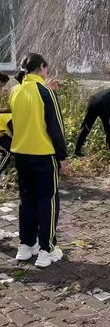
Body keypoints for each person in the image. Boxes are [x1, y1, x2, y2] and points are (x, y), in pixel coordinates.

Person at [9, 53, 68, 268]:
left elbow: (16, 122)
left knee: (27, 200)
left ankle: (26, 245)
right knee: (48, 201)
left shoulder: (15, 91)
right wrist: (62, 157)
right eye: (46, 69)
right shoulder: (46, 92)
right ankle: (47, 249)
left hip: (21, 154)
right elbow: (56, 127)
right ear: (42, 67)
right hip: (43, 155)